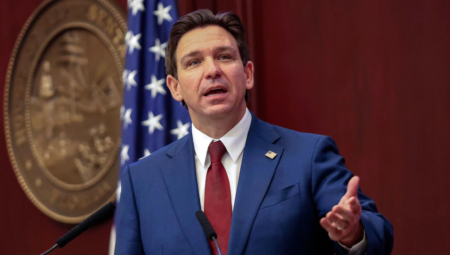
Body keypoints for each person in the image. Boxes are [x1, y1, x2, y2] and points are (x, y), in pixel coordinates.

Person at [115, 9, 393, 255]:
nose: (212, 70)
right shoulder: (142, 181)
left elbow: (377, 233)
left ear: (247, 74)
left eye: (224, 57)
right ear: (175, 87)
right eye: (194, 62)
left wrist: (353, 234)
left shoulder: (308, 157)